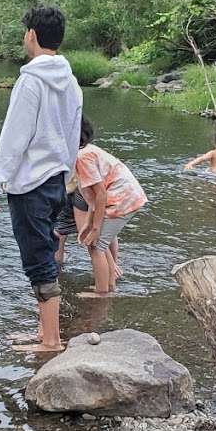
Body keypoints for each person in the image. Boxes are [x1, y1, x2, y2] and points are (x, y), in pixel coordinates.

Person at [0, 5, 82, 351]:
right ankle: (45, 333)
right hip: (56, 181)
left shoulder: (30, 81)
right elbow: (73, 135)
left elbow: (14, 137)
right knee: (48, 251)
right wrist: (68, 176)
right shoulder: (71, 82)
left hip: (30, 185)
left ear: (32, 36)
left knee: (39, 261)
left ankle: (51, 341)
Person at [74, 117, 148, 296]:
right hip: (126, 196)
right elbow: (94, 196)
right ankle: (109, 286)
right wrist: (88, 223)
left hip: (122, 199)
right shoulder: (87, 151)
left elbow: (101, 193)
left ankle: (101, 293)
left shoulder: (82, 156)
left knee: (97, 245)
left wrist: (95, 228)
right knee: (99, 244)